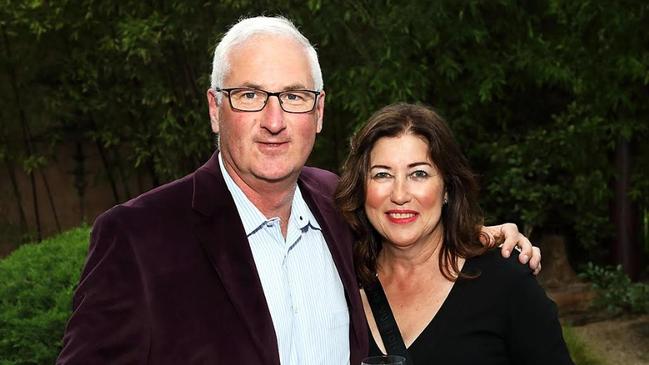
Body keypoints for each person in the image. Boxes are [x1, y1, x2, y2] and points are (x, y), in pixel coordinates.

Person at [57, 17, 539, 364]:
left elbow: (406, 226)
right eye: (249, 96)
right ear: (213, 108)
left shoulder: (339, 206)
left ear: (319, 111)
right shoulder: (140, 236)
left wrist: (478, 236)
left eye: (293, 97)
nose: (273, 121)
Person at [335, 103, 573, 364]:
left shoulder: (505, 282)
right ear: (361, 187)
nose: (400, 195)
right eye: (382, 175)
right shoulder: (340, 282)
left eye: (419, 174)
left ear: (447, 188)